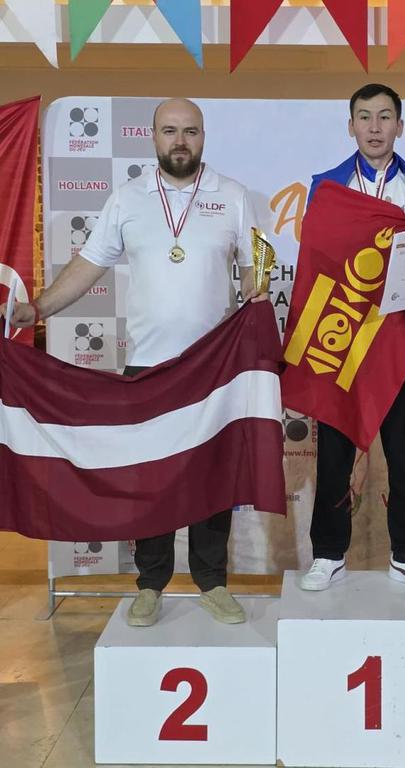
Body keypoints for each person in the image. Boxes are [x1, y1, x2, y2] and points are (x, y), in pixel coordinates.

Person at [1, 98, 264, 627]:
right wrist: (38, 309)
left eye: (190, 131)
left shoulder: (233, 196)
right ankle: (150, 585)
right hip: (147, 368)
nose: (180, 141)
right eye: (170, 131)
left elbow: (254, 271)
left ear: (203, 136)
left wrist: (255, 310)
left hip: (212, 369)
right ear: (153, 137)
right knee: (152, 480)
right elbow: (88, 266)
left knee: (213, 477)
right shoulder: (128, 198)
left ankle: (213, 582)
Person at [297, 84, 405, 593]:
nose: (375, 127)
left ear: (400, 126)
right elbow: (315, 264)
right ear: (350, 126)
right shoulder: (327, 188)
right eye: (365, 117)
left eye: (385, 116)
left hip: (401, 344)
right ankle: (328, 553)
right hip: (342, 339)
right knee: (333, 457)